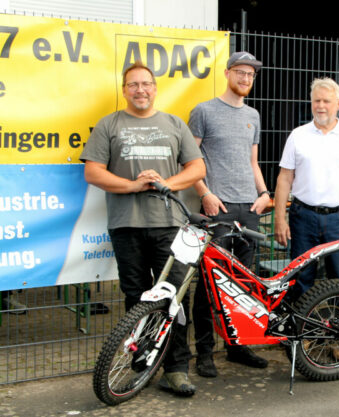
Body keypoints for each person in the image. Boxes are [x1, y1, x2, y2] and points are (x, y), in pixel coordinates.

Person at [80, 62, 206, 396]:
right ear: (124, 90)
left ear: (154, 88)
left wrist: (166, 184)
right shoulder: (109, 125)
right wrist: (133, 186)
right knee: (135, 297)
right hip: (126, 226)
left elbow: (197, 168)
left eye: (146, 84)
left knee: (174, 299)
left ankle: (176, 369)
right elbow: (93, 172)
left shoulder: (174, 124)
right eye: (133, 84)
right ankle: (141, 362)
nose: (140, 90)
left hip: (169, 226)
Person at [188, 51, 270, 378]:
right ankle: (204, 352)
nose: (246, 79)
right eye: (240, 72)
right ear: (227, 73)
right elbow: (190, 162)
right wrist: (205, 194)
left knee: (242, 284)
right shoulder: (203, 111)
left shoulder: (253, 114)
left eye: (250, 74)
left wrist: (264, 194)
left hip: (249, 209)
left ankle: (237, 347)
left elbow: (252, 162)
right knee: (210, 284)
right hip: (216, 210)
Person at [273, 77, 339, 302]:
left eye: (326, 101)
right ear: (311, 103)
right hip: (303, 217)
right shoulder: (297, 135)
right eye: (316, 100)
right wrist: (280, 218)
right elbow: (284, 178)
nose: (321, 106)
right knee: (300, 277)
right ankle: (296, 330)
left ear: (338, 103)